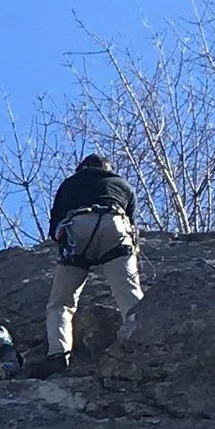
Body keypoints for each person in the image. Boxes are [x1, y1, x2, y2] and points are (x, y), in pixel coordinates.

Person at [44, 154, 143, 369]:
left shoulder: (70, 184)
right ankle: (142, 341)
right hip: (114, 225)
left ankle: (58, 355)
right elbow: (133, 224)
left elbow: (54, 227)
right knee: (128, 293)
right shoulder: (122, 185)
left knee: (61, 303)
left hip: (77, 228)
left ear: (82, 169)